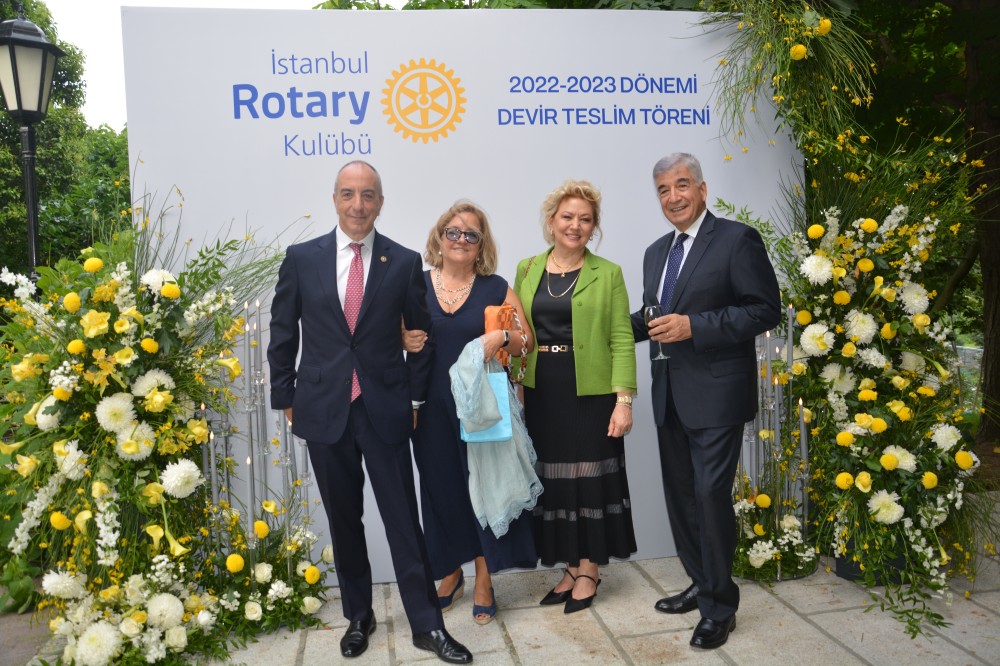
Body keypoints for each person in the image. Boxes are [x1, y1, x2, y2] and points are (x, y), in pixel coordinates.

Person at [267, 161, 472, 664]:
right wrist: (286, 397)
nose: (358, 205)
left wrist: (415, 399)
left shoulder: (402, 262)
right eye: (348, 194)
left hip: (384, 409)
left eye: (368, 195)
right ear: (335, 199)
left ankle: (427, 624)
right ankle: (359, 616)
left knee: (403, 521)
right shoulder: (302, 258)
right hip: (323, 411)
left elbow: (421, 338)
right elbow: (282, 333)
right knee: (344, 520)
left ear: (380, 202)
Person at [631, 153, 780, 650]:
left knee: (710, 498)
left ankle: (720, 608)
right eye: (663, 189)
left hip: (717, 396)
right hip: (669, 395)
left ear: (701, 188)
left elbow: (764, 310)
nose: (673, 197)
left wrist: (695, 326)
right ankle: (701, 582)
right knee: (683, 501)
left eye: (681, 185)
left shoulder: (737, 239)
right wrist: (590, 326)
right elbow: (652, 316)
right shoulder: (656, 252)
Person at [410, 201, 538, 625]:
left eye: (471, 234)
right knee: (440, 489)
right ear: (439, 237)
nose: (461, 240)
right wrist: (402, 339)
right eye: (454, 231)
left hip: (481, 408)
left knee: (483, 489)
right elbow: (393, 334)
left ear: (481, 245)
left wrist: (501, 336)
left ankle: (484, 577)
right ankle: (450, 572)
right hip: (429, 406)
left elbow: (526, 341)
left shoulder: (495, 287)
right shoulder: (417, 283)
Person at [512, 179, 637, 614]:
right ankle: (569, 567)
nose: (575, 225)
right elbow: (518, 331)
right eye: (567, 217)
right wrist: (516, 386)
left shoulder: (608, 273)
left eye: (585, 219)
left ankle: (589, 570)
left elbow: (622, 338)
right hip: (542, 391)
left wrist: (624, 401)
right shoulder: (527, 268)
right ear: (551, 222)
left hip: (592, 393)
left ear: (593, 226)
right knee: (554, 481)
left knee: (589, 480)